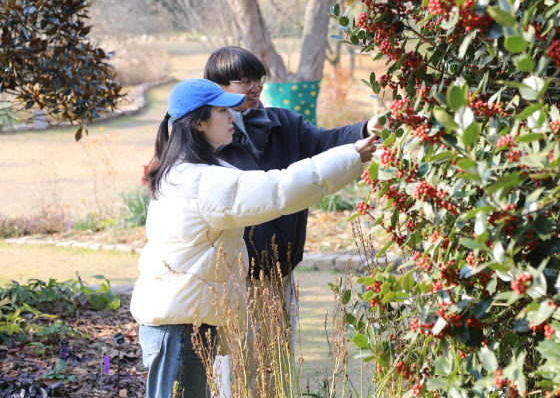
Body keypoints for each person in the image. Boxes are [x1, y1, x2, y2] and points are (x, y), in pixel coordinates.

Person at [130, 78, 377, 398]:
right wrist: (354, 155)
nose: (233, 117)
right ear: (200, 121)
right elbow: (278, 191)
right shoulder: (199, 181)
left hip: (181, 323)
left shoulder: (187, 170)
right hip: (180, 330)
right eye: (223, 111)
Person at [203, 47, 381, 361]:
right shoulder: (207, 139)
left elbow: (324, 142)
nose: (255, 87)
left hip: (280, 269)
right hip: (234, 276)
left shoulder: (283, 122)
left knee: (278, 363)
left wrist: (365, 129)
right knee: (237, 368)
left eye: (258, 79)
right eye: (244, 81)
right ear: (219, 87)